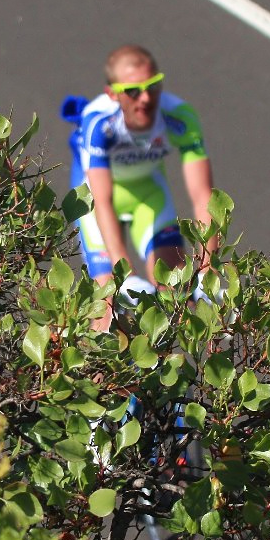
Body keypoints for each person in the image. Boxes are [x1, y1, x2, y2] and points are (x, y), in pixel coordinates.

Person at [65, 45, 216, 329]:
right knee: (109, 311)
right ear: (113, 94)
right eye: (133, 90)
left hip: (148, 194)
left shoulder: (180, 116)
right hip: (98, 201)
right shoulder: (100, 123)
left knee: (177, 288)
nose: (146, 98)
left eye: (153, 86)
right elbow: (102, 200)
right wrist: (125, 273)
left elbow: (203, 196)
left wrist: (209, 270)